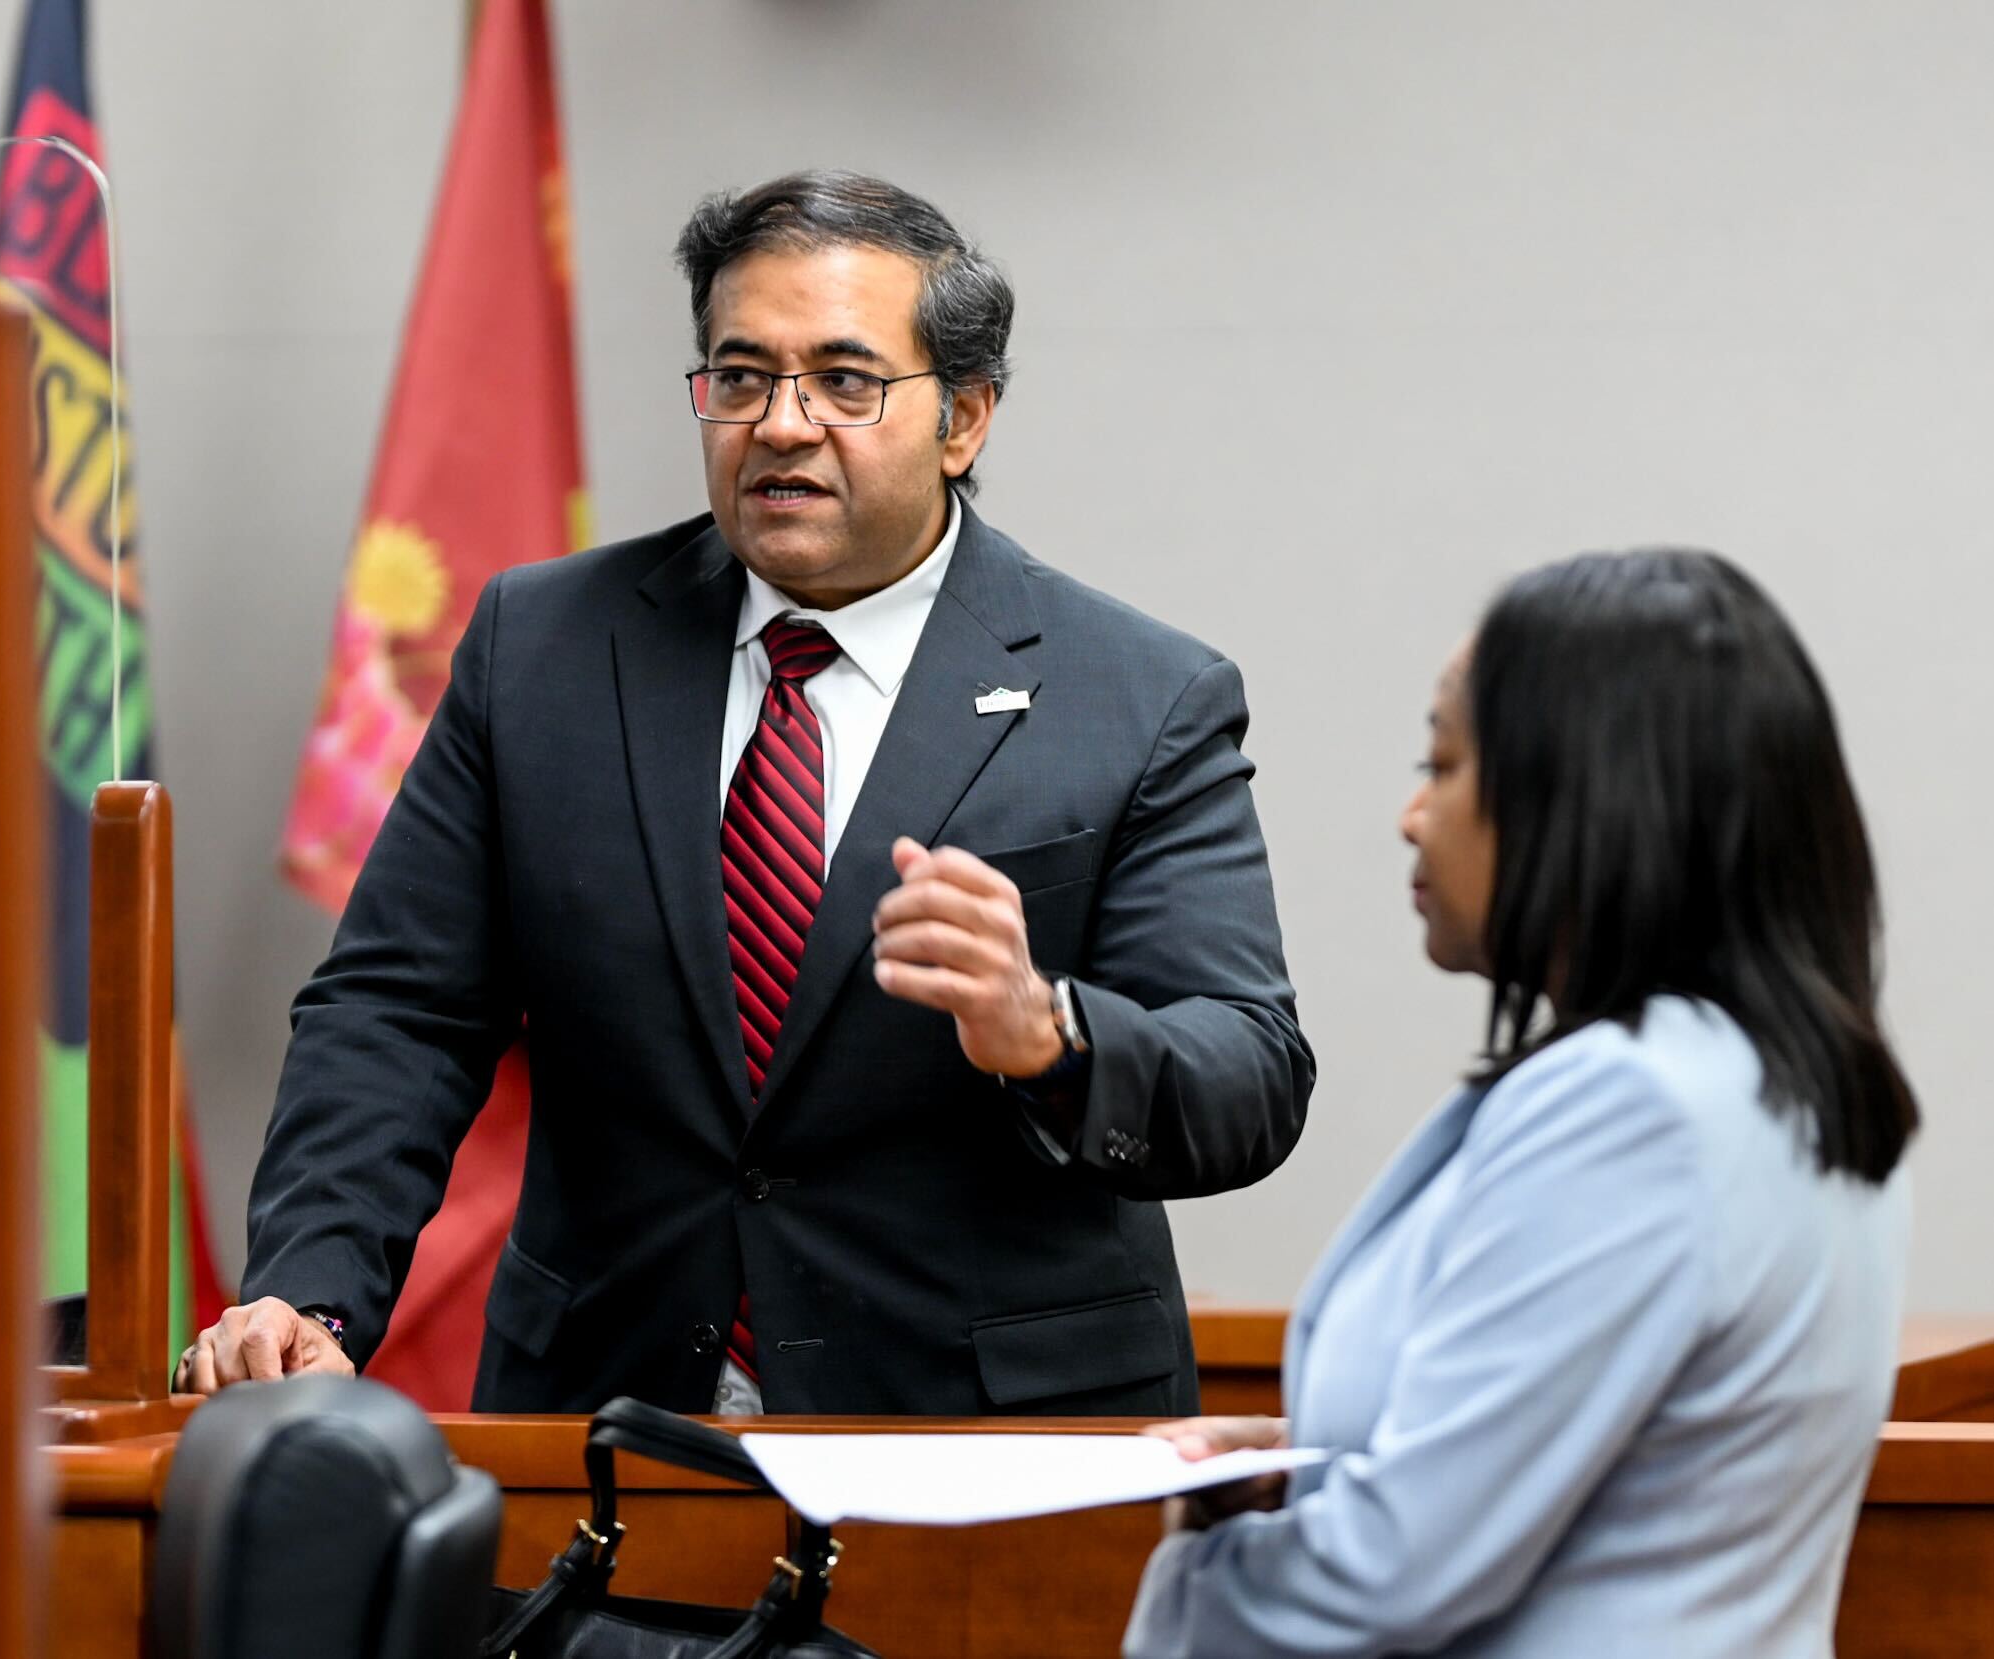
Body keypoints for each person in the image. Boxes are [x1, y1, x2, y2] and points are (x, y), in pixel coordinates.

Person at [183, 170, 1314, 1416]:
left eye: (844, 381)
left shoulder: (1137, 695)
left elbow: (1246, 1073)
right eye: (738, 377)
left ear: (964, 418)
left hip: (985, 1444)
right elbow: (397, 1013)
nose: (781, 423)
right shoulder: (543, 649)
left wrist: (1047, 1032)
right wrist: (314, 1292)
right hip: (603, 1419)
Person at [1124, 550, 1917, 1656]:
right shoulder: (1779, 1079)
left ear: (1585, 799)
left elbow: (1391, 1574)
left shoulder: (1627, 1110)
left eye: (1441, 763)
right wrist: (1311, 1481)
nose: (1409, 816)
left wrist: (1200, 1572)